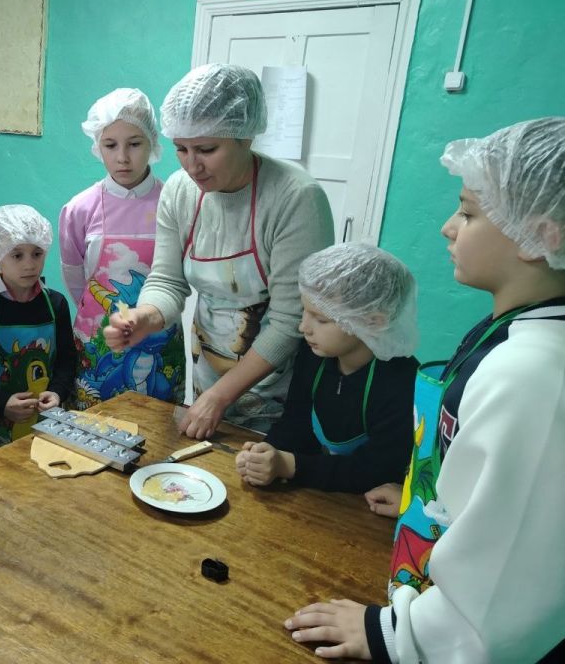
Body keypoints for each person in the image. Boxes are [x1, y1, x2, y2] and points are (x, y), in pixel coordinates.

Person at [285, 118, 565, 662]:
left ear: (542, 236)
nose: (447, 227)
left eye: (468, 212)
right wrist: (426, 505)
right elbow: (493, 492)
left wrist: (390, 634)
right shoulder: (509, 332)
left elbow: (505, 586)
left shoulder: (534, 374)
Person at [104, 63, 334, 437]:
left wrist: (220, 396)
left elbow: (291, 317)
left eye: (207, 149)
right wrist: (144, 317)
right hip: (210, 379)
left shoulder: (295, 198)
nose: (192, 165)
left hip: (281, 392)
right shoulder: (180, 192)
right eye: (181, 149)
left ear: (245, 136)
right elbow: (167, 279)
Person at [236, 242, 418, 493]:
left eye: (321, 319)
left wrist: (291, 466)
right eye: (305, 312)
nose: (303, 327)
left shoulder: (400, 382)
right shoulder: (314, 356)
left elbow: (379, 469)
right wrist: (265, 453)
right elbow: (296, 422)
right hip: (318, 494)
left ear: (373, 321)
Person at [60, 88, 185, 410]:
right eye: (110, 145)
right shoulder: (79, 209)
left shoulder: (174, 202)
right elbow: (77, 281)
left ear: (153, 144)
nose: (122, 157)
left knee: (158, 433)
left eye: (134, 143)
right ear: (97, 146)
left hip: (159, 341)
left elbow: (179, 277)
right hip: (99, 343)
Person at [0, 204, 76, 442]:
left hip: (48, 424)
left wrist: (57, 394)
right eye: (17, 255)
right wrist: (2, 403)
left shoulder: (56, 304)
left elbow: (67, 361)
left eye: (37, 254)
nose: (29, 264)